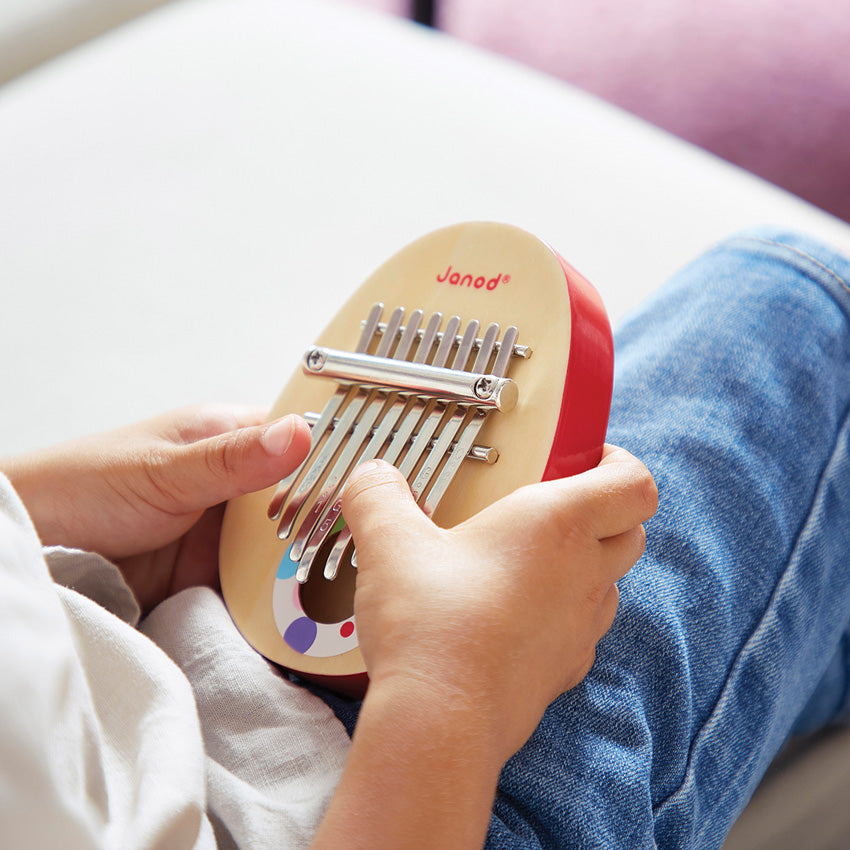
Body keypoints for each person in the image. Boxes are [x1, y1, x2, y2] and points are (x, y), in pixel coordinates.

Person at [0, 226, 848, 848]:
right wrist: (454, 693)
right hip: (395, 799)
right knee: (793, 299)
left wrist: (37, 515)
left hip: (157, 638)